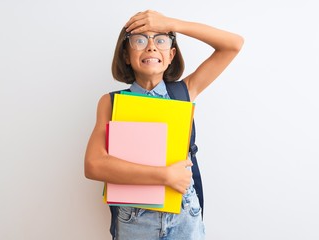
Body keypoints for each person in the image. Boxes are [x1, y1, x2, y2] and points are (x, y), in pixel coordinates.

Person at [84, 10, 244, 240]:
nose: (151, 47)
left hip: (184, 212)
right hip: (134, 218)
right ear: (126, 55)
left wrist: (171, 23)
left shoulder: (184, 92)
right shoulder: (111, 102)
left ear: (171, 55)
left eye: (160, 39)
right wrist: (164, 176)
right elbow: (94, 165)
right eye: (139, 40)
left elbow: (233, 44)